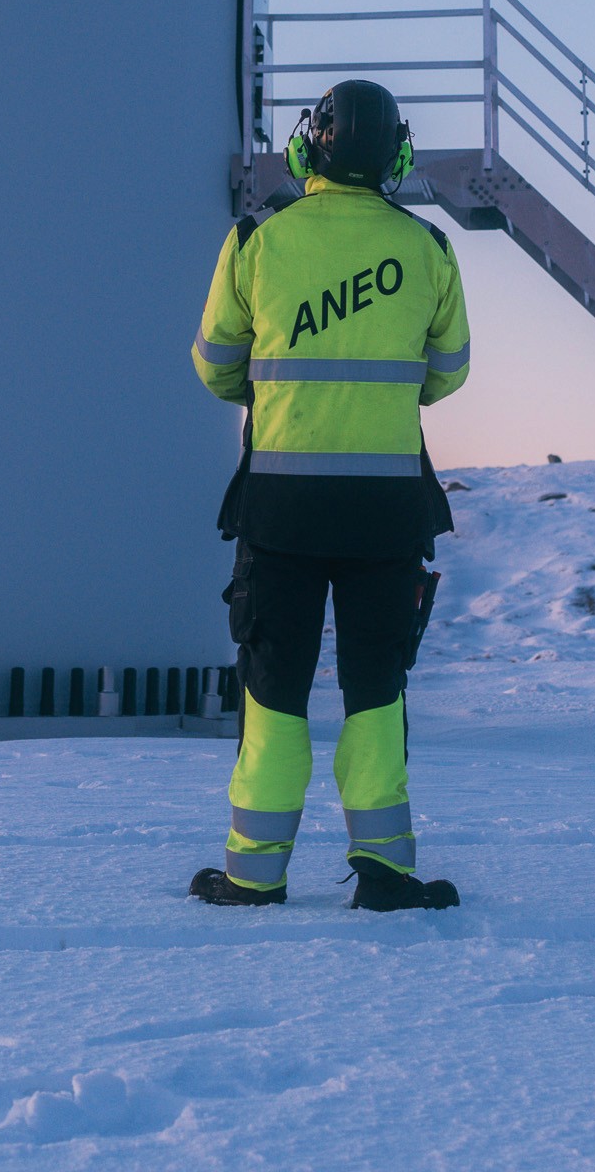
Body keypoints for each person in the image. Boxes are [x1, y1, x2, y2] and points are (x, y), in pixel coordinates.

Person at [188, 78, 469, 911]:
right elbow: (447, 376)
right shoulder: (428, 248)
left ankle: (253, 875)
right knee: (376, 692)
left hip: (282, 512)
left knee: (273, 695)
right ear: (399, 155)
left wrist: (272, 388)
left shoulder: (257, 239)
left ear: (310, 147)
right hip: (386, 515)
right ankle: (384, 873)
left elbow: (213, 363)